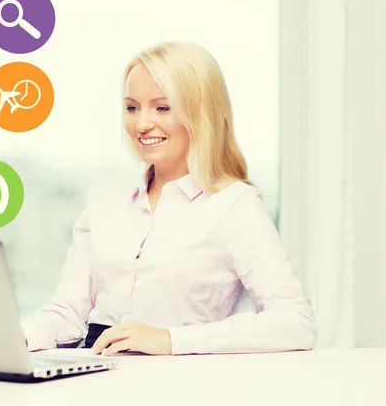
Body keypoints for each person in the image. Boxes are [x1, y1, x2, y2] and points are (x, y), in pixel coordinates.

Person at [20, 41, 317, 356]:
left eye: (162, 107)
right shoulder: (106, 204)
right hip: (96, 370)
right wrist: (18, 336)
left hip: (182, 379)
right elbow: (67, 311)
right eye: (132, 107)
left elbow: (295, 322)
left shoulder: (234, 204)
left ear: (200, 114)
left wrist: (169, 340)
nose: (142, 123)